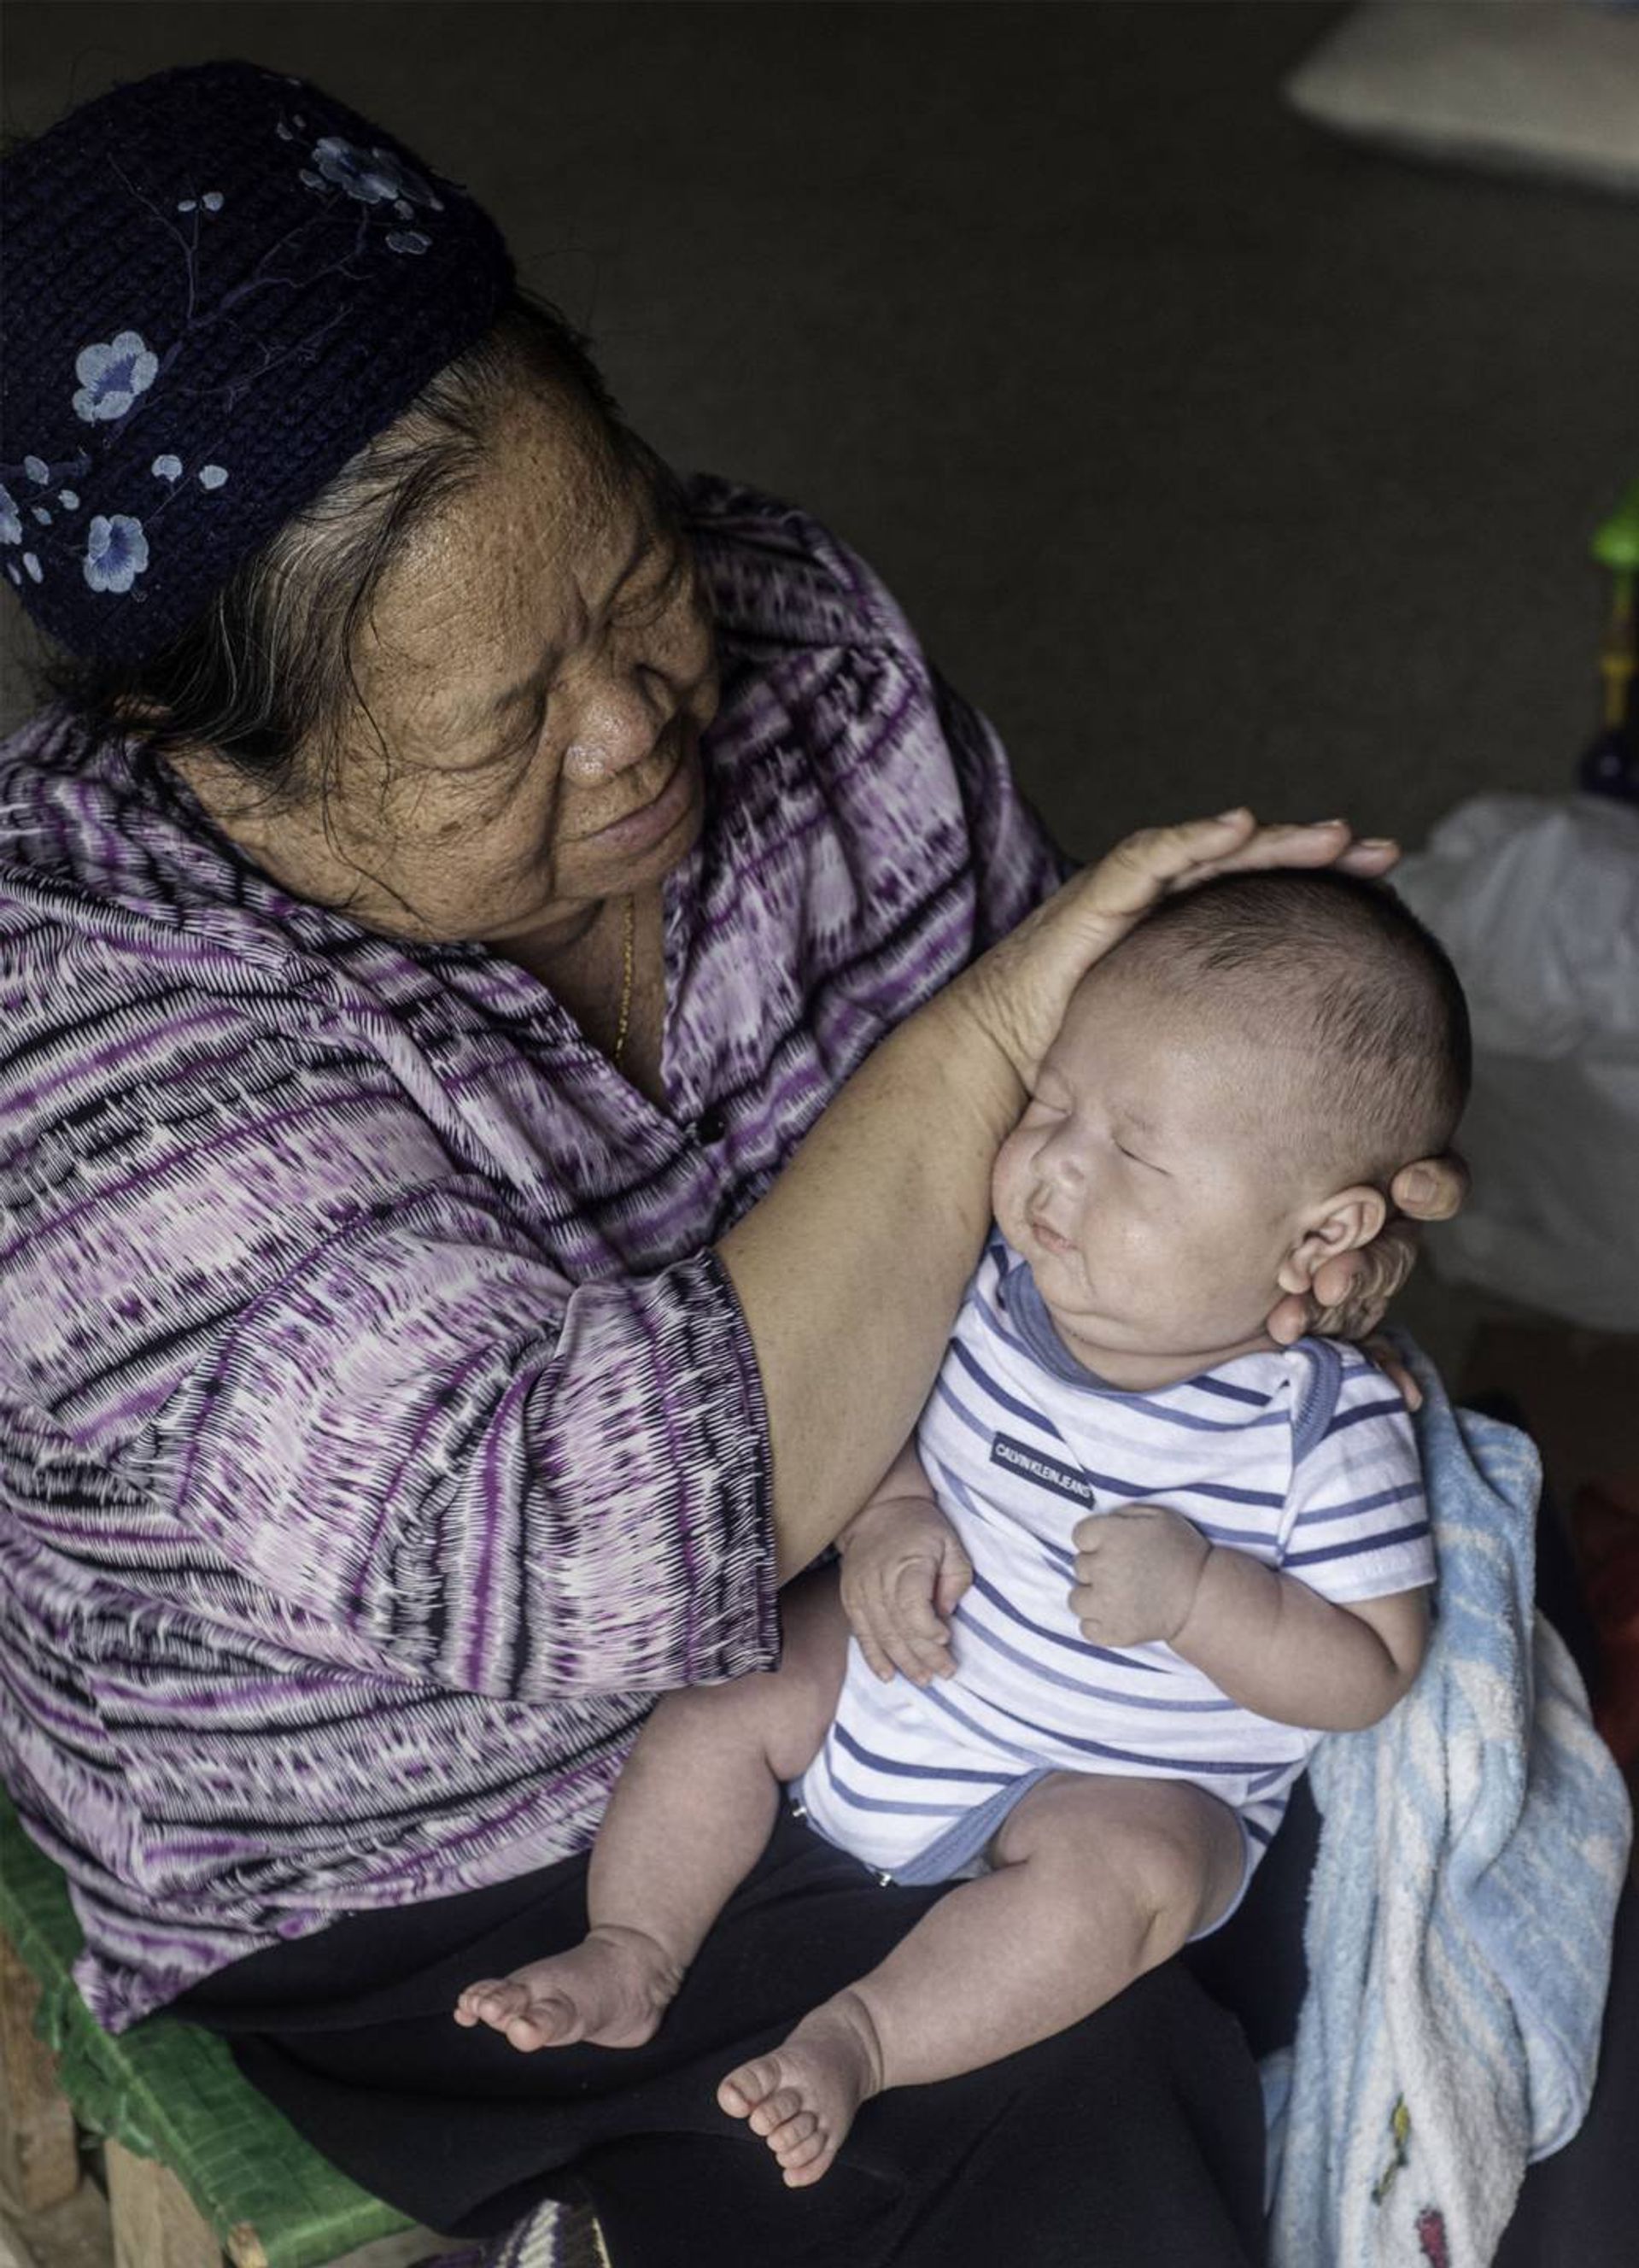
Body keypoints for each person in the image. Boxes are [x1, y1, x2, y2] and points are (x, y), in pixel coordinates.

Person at [0, 58, 1490, 2268]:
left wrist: (1268, 1226)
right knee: (1068, 2105)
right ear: (199, 751)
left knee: (1399, 1836)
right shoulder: (80, 1028)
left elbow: (1095, 1132)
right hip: (427, 1840)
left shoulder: (804, 639)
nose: (632, 722)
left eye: (630, 579)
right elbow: (587, 1571)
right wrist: (981, 1045)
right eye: (500, 725)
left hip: (944, 1592)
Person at [454, 870, 1460, 2189]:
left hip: (1115, 1774)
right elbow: (875, 1426)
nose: (1054, 1165)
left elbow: (1370, 1672)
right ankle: (633, 1948)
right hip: (904, 1672)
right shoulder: (988, 1287)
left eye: (1134, 1153)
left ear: (1317, 1233)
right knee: (727, 1689)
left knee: (1140, 1872)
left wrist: (1205, 1596)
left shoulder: (1317, 1426)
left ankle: (864, 2038)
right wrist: (891, 1519)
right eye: (1051, 1105)